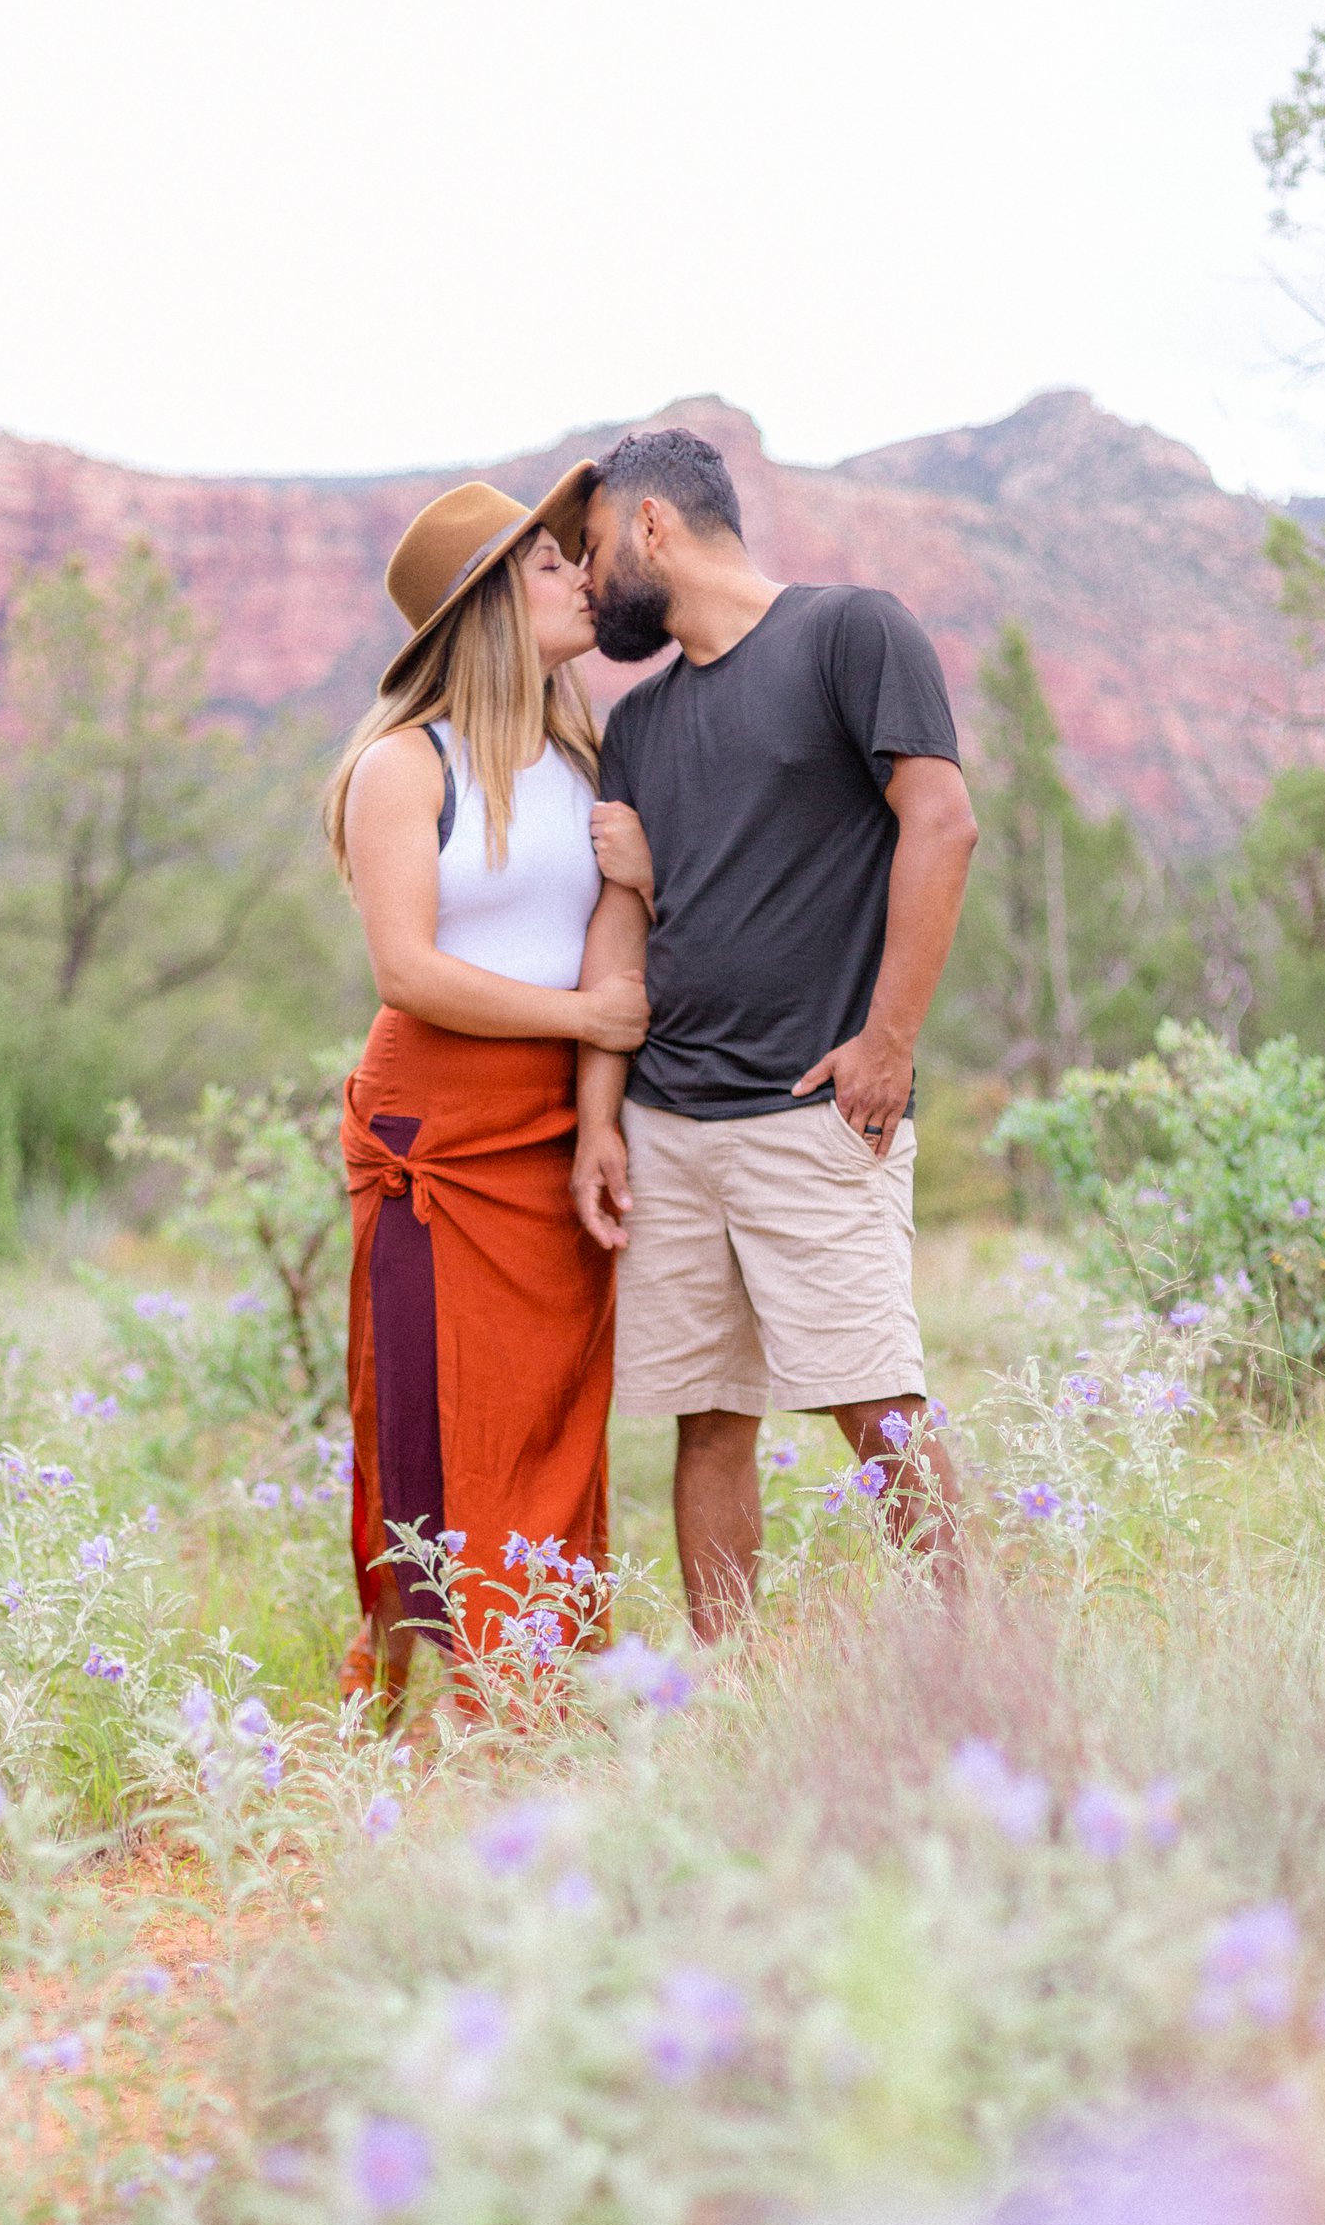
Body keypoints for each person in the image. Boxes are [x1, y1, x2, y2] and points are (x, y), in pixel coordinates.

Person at [569, 425, 980, 1640]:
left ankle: (983, 1663)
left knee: (876, 1405)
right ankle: (733, 1692)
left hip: (813, 1109)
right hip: (669, 1123)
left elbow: (942, 824)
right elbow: (628, 923)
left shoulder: (851, 633)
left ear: (651, 524)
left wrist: (889, 1040)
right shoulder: (639, 724)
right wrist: (600, 1121)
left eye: (592, 548)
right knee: (708, 1419)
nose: (587, 580)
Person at [326, 473, 653, 1712]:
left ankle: (538, 1690)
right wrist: (582, 1020)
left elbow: (613, 944)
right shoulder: (403, 766)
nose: (581, 578)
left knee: (552, 1407)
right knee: (427, 1406)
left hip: (555, 1125)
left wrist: (599, 1112)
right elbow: (406, 971)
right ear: (487, 607)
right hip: (437, 1133)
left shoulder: (585, 759)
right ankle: (420, 1698)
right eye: (549, 565)